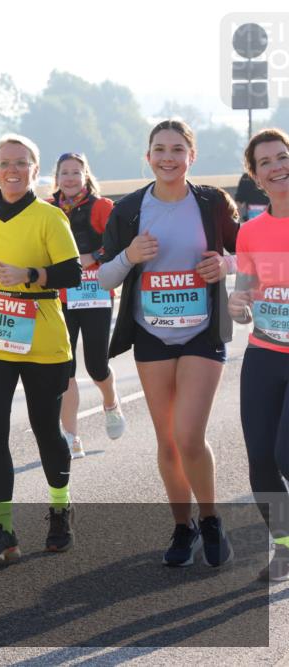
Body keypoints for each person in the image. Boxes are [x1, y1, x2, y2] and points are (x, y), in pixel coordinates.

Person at [99, 119, 239, 568]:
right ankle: (184, 527)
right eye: (159, 149)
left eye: (177, 149)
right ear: (148, 157)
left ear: (190, 157)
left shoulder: (213, 203)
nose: (167, 157)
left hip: (202, 331)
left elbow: (246, 253)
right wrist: (129, 256)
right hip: (151, 333)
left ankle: (212, 518)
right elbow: (103, 277)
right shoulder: (130, 210)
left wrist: (225, 263)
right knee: (167, 441)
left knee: (189, 434)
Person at [0, 134, 81, 562]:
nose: (12, 170)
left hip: (43, 337)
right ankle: (3, 527)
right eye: (4, 163)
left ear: (36, 171)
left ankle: (59, 508)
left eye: (21, 163)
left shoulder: (50, 218)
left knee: (45, 429)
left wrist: (30, 274)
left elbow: (71, 273)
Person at [228, 127, 289, 582]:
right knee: (261, 461)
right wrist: (239, 305)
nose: (277, 166)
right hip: (264, 355)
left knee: (286, 454)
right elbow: (245, 293)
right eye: (266, 162)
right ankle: (286, 547)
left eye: (283, 156)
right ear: (256, 175)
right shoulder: (250, 232)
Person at [49, 152, 125, 458]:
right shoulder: (47, 210)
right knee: (65, 369)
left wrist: (92, 257)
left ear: (85, 176)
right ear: (56, 178)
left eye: (75, 172)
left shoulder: (102, 206)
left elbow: (117, 242)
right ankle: (71, 436)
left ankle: (111, 403)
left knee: (96, 365)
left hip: (95, 295)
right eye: (64, 172)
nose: (69, 178)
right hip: (62, 297)